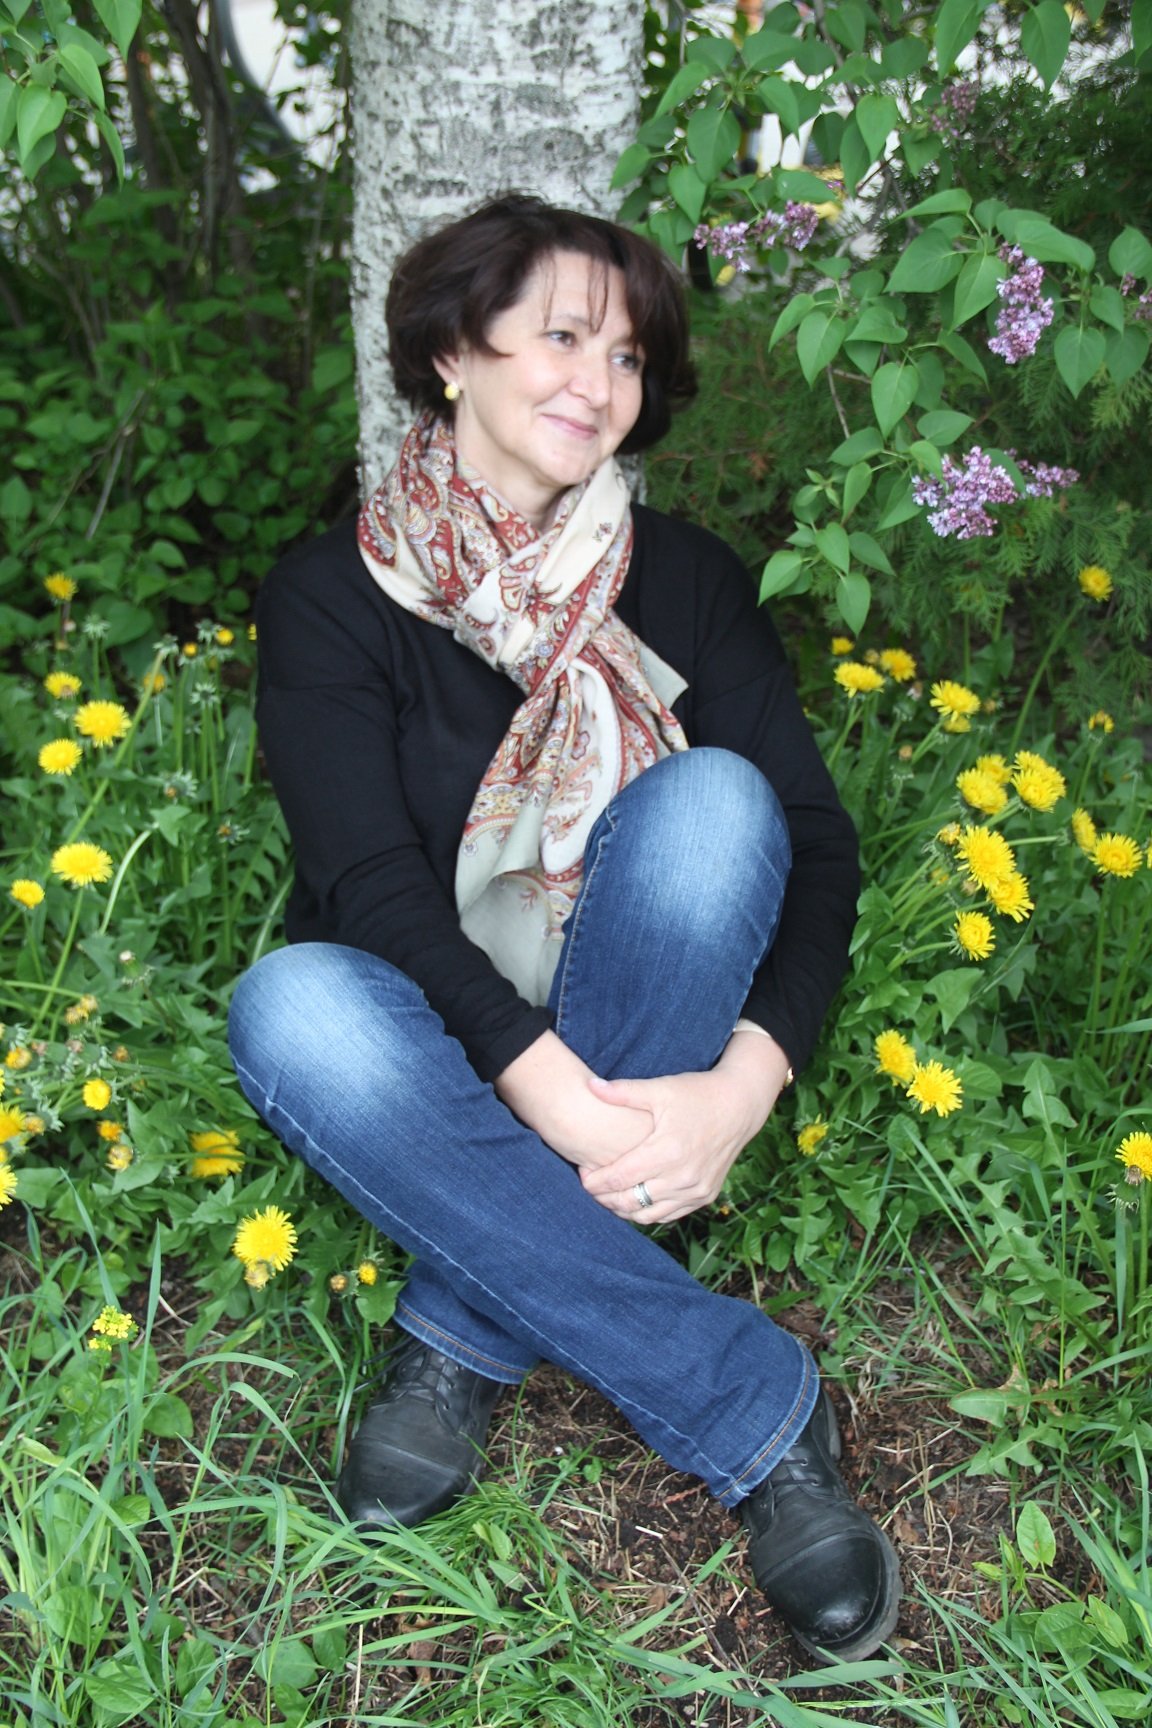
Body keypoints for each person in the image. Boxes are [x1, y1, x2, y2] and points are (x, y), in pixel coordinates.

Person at [227, 194, 900, 1664]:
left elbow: (819, 843)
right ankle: (752, 1404)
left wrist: (747, 1083)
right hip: (429, 1025)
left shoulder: (688, 579)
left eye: (630, 356)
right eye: (563, 338)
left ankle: (459, 1331)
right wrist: (550, 1093)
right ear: (452, 352)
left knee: (719, 806)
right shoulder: (332, 598)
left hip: (649, 986)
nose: (600, 384)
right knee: (288, 1007)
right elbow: (371, 887)